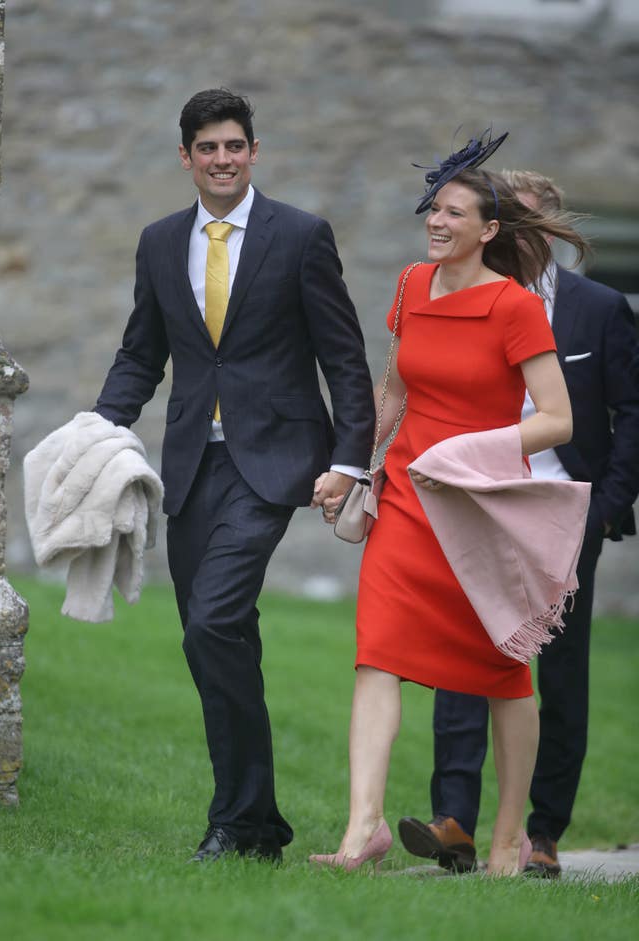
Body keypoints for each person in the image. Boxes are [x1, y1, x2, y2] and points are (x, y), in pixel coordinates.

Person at [93, 88, 375, 863]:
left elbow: (344, 357)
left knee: (213, 620)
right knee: (216, 636)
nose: (223, 159)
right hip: (190, 463)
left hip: (275, 461)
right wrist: (99, 427)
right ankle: (255, 825)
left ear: (254, 152)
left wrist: (350, 461)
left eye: (235, 146)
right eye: (208, 148)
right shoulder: (158, 242)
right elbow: (141, 353)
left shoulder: (301, 235)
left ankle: (233, 819)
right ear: (186, 157)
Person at [312, 132, 590, 876]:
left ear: (489, 230)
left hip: (478, 511)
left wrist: (471, 452)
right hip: (404, 500)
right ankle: (362, 826)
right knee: (376, 657)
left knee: (504, 673)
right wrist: (350, 465)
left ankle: (506, 835)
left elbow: (557, 419)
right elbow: (394, 390)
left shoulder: (515, 308)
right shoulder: (409, 284)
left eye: (454, 212)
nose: (436, 221)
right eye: (433, 208)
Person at [398, 170, 639, 878]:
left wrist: (605, 506)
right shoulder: (467, 297)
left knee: (561, 673)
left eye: (532, 221)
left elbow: (632, 412)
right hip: (480, 507)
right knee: (462, 661)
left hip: (565, 515)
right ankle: (455, 823)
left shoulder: (598, 309)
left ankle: (544, 833)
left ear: (550, 227)